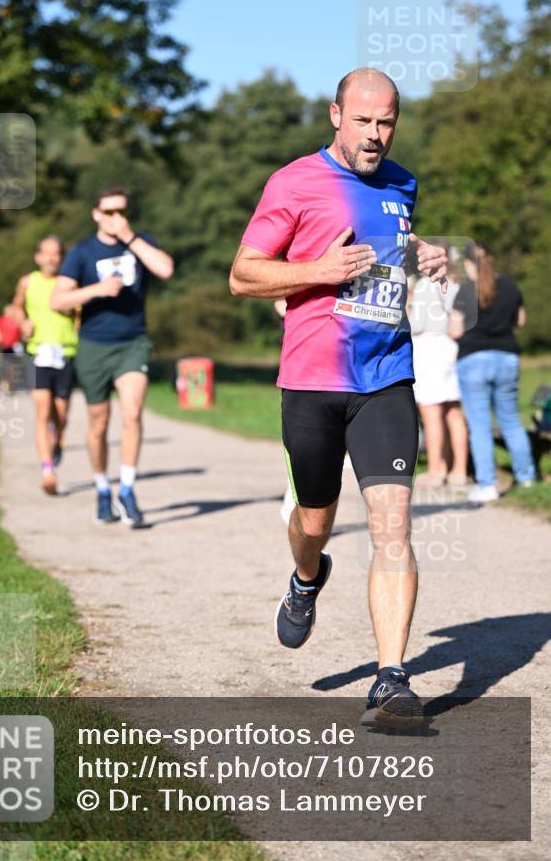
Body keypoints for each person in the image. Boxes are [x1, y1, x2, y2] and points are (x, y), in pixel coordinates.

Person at [230, 68, 447, 725]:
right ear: (334, 115)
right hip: (310, 381)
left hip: (384, 378)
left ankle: (390, 679)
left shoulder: (401, 182)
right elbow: (243, 275)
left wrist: (422, 253)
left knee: (390, 526)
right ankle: (304, 578)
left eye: (386, 122)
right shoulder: (294, 181)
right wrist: (316, 272)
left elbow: (388, 248)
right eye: (362, 121)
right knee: (314, 525)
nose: (375, 135)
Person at [51, 187, 174, 526]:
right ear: (96, 214)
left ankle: (128, 488)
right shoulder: (81, 252)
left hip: (132, 343)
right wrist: (95, 291)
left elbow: (165, 269)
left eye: (121, 212)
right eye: (109, 213)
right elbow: (57, 301)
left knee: (132, 413)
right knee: (98, 423)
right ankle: (103, 489)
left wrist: (130, 238)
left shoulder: (139, 242)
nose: (116, 218)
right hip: (93, 345)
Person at [449, 241, 536, 503]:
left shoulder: (465, 290)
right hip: (507, 357)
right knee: (511, 420)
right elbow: (520, 321)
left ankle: (488, 485)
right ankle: (527, 477)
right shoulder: (509, 286)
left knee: (479, 425)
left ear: (467, 263)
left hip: (473, 360)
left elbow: (454, 331)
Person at [12, 236, 78, 496]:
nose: (51, 259)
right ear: (37, 256)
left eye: (56, 254)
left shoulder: (71, 283)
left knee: (60, 414)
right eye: (46, 254)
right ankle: (47, 470)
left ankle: (57, 435)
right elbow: (16, 307)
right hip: (37, 352)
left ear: (62, 257)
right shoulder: (28, 282)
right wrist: (22, 322)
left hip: (66, 351)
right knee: (43, 409)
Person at [408, 248, 469, 487]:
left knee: (430, 413)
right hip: (449, 349)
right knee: (453, 412)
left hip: (429, 351)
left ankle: (436, 470)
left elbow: (417, 324)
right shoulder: (456, 284)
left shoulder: (425, 285)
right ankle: (458, 470)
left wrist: (406, 308)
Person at [0, 304, 23, 392]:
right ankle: (5, 383)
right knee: (6, 366)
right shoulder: (1, 320)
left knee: (15, 366)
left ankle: (13, 384)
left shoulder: (17, 320)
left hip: (16, 346)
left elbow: (22, 332)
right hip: (5, 346)